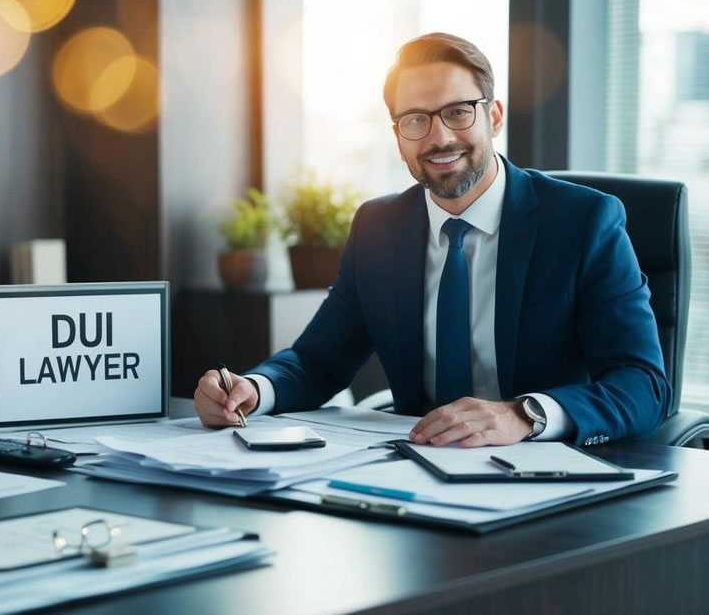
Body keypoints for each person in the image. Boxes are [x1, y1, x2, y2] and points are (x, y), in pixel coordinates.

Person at [193, 32, 669, 448]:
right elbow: (318, 361)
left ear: (494, 116)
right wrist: (254, 389)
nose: (439, 138)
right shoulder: (378, 228)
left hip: (546, 476)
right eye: (415, 120)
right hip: (419, 474)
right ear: (398, 135)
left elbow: (643, 385)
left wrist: (523, 414)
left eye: (458, 112)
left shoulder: (583, 221)